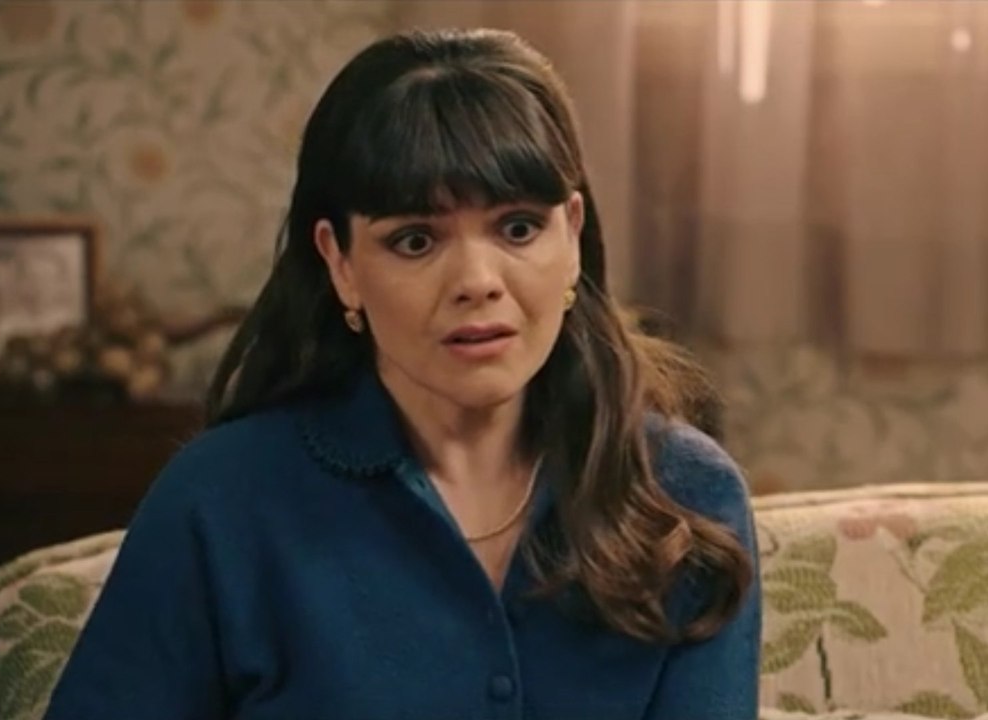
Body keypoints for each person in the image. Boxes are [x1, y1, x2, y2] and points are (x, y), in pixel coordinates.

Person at [44, 27, 760, 720]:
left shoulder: (684, 498)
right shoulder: (220, 502)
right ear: (340, 263)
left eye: (518, 228)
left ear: (572, 234)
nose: (477, 281)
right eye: (416, 241)